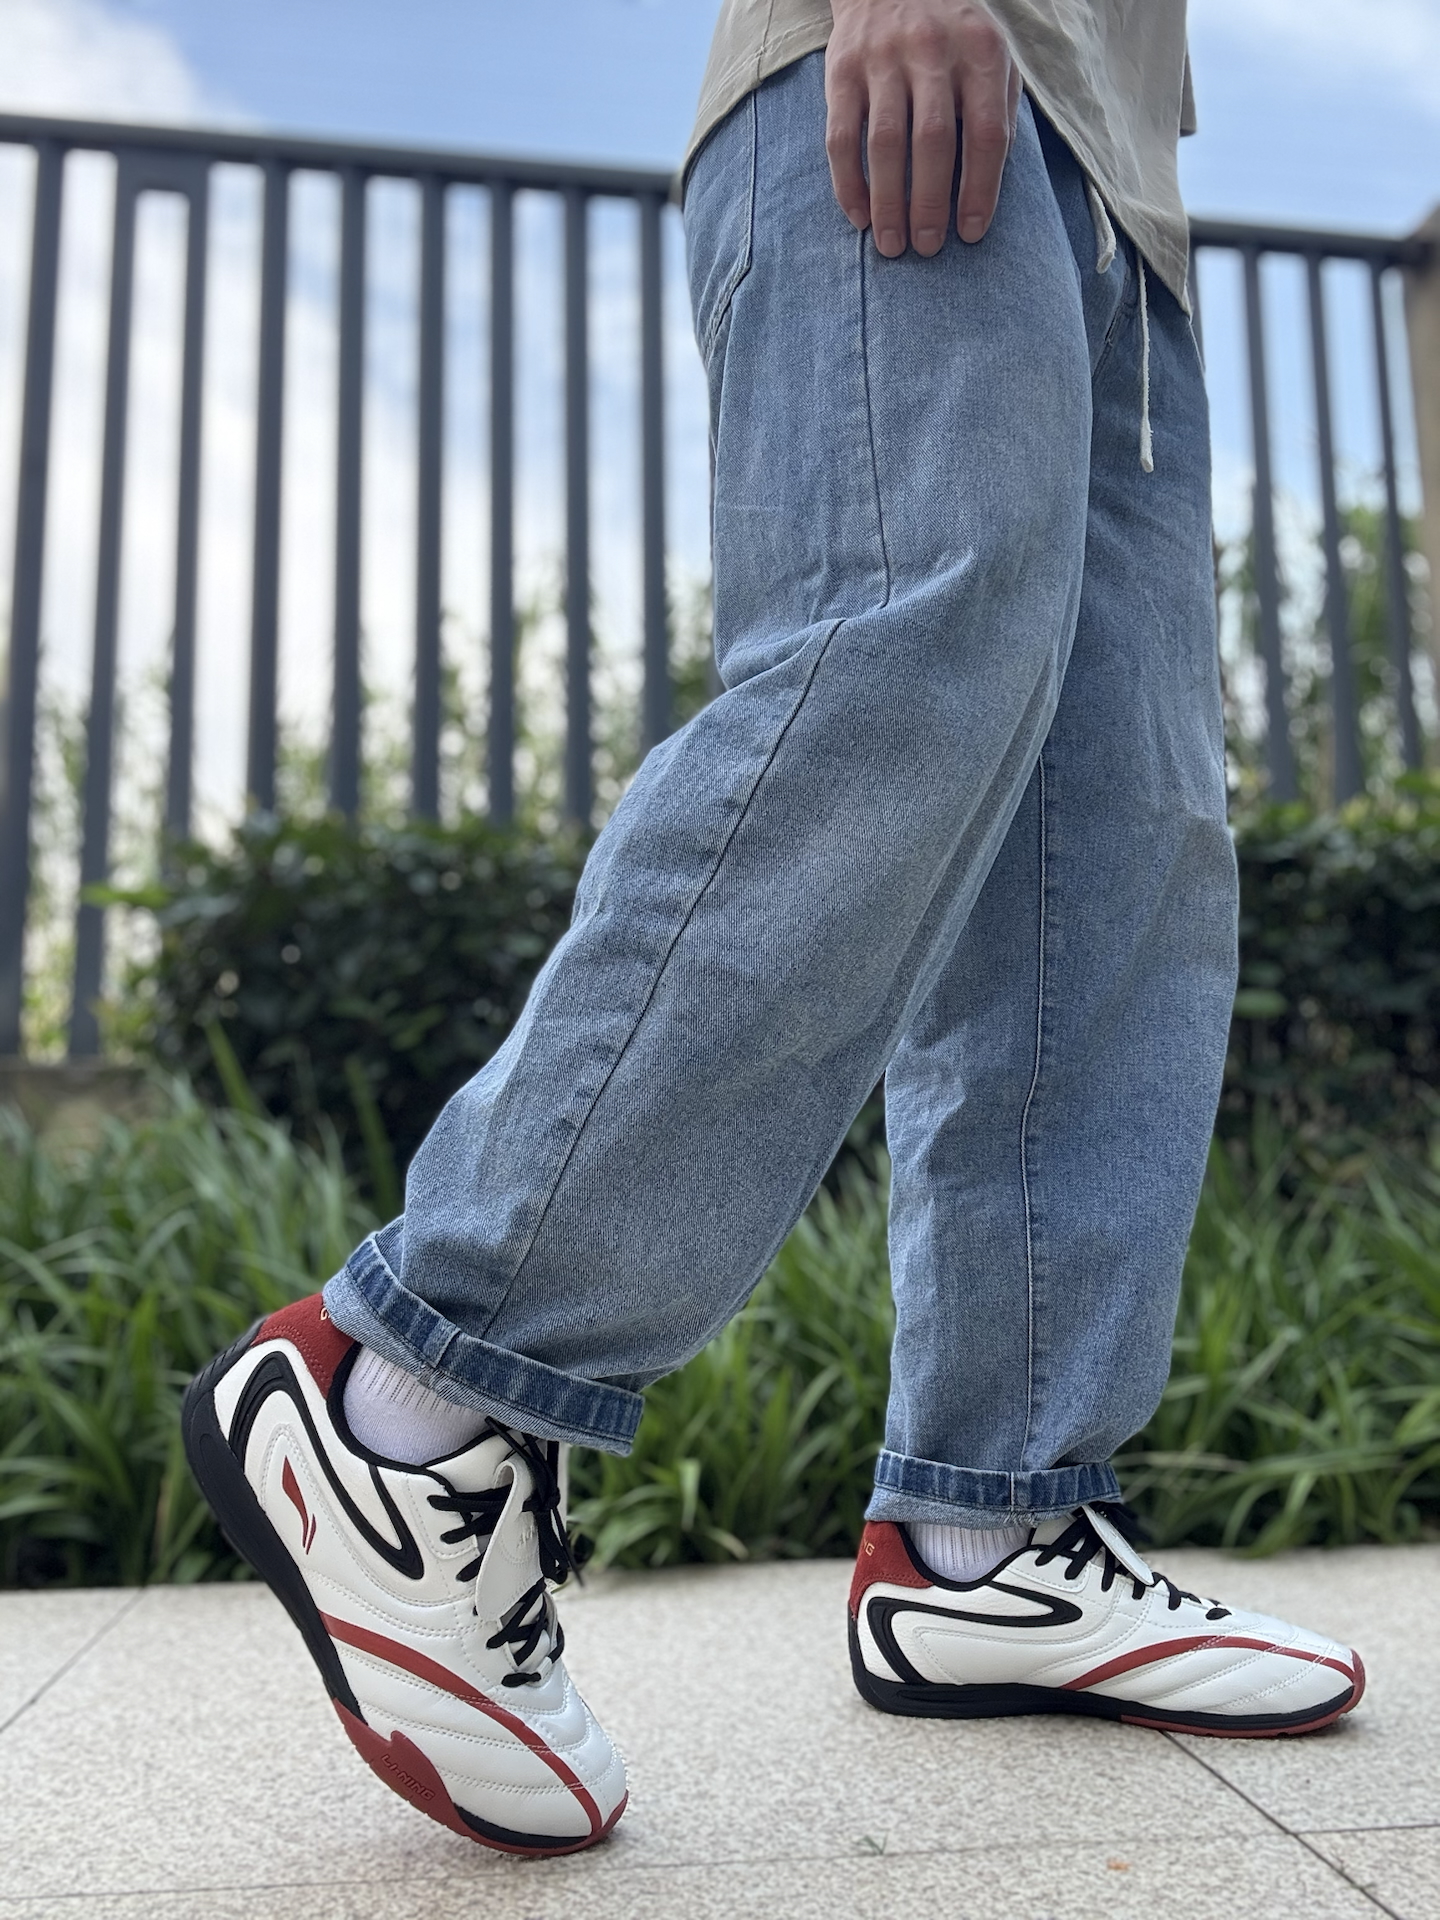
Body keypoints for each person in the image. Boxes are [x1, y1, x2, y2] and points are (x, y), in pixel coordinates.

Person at [183, 0, 1365, 1857]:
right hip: (941, 56)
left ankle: (993, 1528)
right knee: (894, 667)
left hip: (1123, 185)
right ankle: (411, 1394)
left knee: (1118, 839)